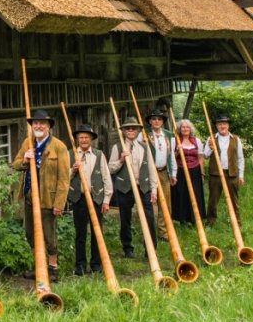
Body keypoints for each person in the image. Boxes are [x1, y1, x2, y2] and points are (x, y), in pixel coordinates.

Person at [11, 109, 70, 278]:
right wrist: (25, 160)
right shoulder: (27, 143)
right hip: (30, 197)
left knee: (48, 235)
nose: (38, 126)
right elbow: (15, 164)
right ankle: (39, 266)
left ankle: (53, 268)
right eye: (35, 123)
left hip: (48, 198)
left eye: (42, 123)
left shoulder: (59, 147)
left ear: (48, 127)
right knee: (31, 233)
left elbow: (64, 178)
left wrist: (59, 203)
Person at [108, 116, 156, 257]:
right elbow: (111, 168)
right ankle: (128, 248)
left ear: (138, 131)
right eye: (127, 128)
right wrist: (121, 160)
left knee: (149, 218)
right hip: (125, 188)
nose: (130, 131)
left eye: (133, 128)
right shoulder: (117, 147)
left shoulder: (145, 147)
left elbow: (152, 169)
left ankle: (150, 249)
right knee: (125, 219)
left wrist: (154, 189)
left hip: (143, 187)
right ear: (123, 131)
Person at [68, 123, 112, 276]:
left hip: (96, 199)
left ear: (91, 139)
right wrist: (73, 170)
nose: (84, 140)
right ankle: (80, 265)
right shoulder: (70, 154)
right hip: (78, 199)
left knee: (96, 232)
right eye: (81, 137)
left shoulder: (99, 155)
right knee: (80, 233)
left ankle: (96, 264)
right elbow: (64, 180)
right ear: (77, 139)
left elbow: (106, 178)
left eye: (86, 137)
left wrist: (106, 200)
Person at [205, 113, 245, 226]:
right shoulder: (211, 138)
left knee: (234, 200)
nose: (222, 126)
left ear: (228, 125)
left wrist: (241, 175)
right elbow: (206, 155)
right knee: (213, 200)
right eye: (220, 124)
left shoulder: (236, 139)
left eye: (224, 124)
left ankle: (236, 222)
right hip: (216, 174)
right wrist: (210, 147)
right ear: (217, 126)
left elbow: (241, 158)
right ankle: (210, 222)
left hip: (231, 174)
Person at [144, 108, 177, 241]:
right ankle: (148, 232)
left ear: (163, 122)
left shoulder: (169, 135)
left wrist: (173, 173)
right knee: (149, 202)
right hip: (148, 173)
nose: (156, 121)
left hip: (163, 172)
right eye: (154, 119)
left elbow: (172, 156)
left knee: (165, 203)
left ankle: (163, 232)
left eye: (159, 119)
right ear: (150, 122)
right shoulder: (144, 135)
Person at [170, 118, 206, 224]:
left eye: (187, 127)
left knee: (195, 194)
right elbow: (172, 157)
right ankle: (183, 219)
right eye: (183, 127)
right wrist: (177, 151)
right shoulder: (174, 141)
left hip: (195, 171)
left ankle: (195, 219)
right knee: (182, 194)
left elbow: (200, 158)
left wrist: (202, 173)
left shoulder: (197, 141)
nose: (185, 129)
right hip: (180, 171)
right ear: (179, 129)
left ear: (190, 129)